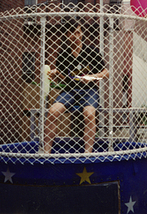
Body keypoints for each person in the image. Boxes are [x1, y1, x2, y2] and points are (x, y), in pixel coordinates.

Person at [43, 18, 109, 154]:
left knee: (89, 114)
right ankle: (46, 151)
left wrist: (90, 77)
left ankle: (87, 152)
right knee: (52, 112)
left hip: (89, 90)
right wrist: (56, 74)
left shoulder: (91, 51)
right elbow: (66, 78)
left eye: (79, 33)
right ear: (67, 35)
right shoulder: (63, 54)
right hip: (70, 90)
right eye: (73, 33)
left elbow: (105, 72)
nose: (77, 36)